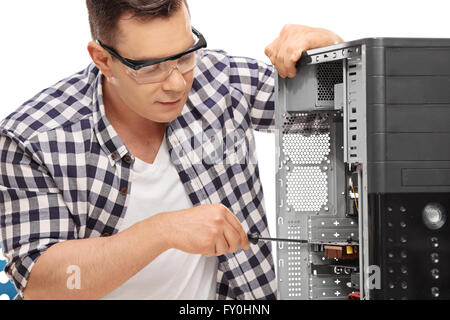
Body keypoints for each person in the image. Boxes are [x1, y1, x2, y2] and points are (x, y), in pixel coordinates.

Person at [0, 0, 342, 300]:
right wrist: (162, 231)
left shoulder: (221, 82)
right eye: (151, 67)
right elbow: (41, 282)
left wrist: (332, 52)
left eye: (185, 55)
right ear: (102, 59)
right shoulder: (35, 139)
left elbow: (335, 114)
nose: (177, 83)